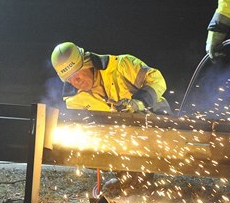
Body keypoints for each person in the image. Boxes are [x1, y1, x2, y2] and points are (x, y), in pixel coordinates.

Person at [50, 41, 172, 194]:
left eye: (76, 74)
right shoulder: (73, 99)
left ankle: (140, 181)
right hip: (120, 135)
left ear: (87, 62)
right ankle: (128, 180)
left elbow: (157, 80)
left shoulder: (120, 65)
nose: (76, 82)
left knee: (136, 135)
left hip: (156, 119)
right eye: (69, 79)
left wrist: (138, 102)